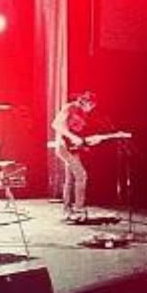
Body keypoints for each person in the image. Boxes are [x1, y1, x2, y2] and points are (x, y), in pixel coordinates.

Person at [51, 91, 98, 220]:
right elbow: (56, 125)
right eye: (91, 106)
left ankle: (67, 210)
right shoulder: (69, 107)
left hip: (73, 149)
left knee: (70, 179)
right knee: (81, 175)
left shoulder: (82, 114)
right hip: (63, 147)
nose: (91, 109)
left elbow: (77, 134)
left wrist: (86, 143)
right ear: (86, 102)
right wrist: (72, 137)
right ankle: (78, 209)